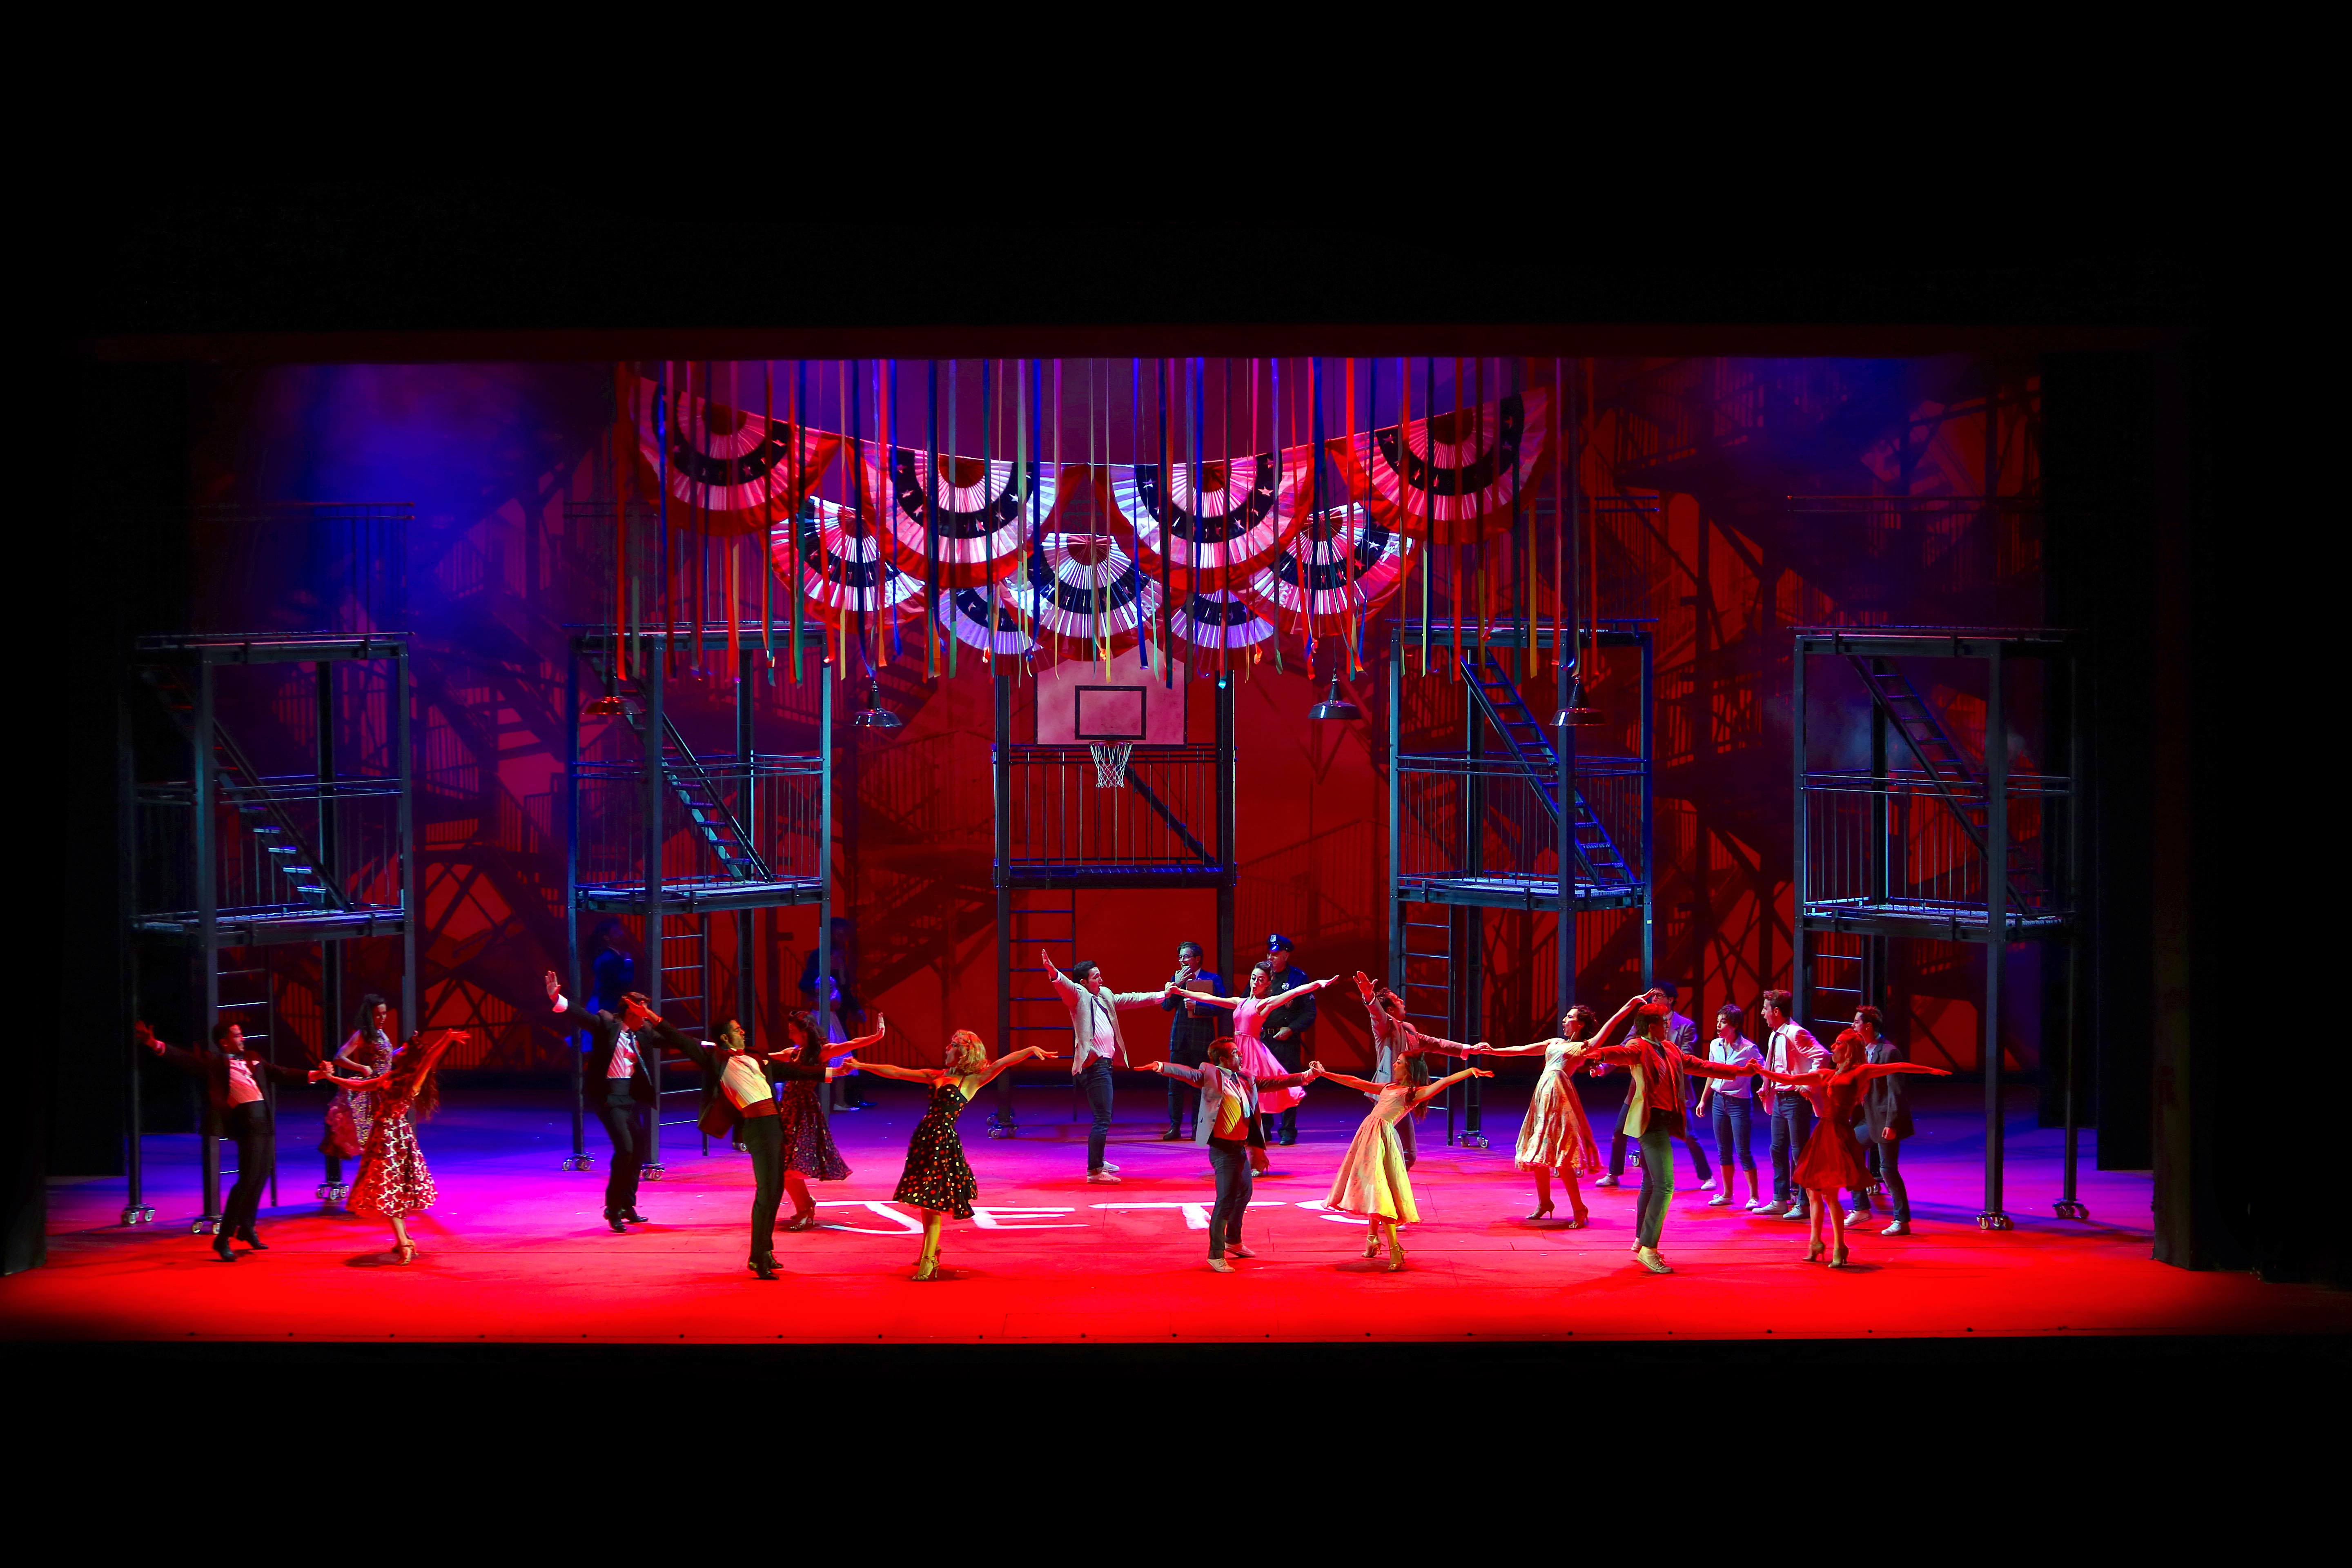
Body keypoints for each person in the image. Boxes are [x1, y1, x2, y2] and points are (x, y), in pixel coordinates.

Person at [642, 1012, 870, 1278]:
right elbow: (679, 1038)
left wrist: (834, 1072)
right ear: (725, 1037)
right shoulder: (715, 1058)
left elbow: (793, 1070)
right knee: (767, 1192)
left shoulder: (756, 1056)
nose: (743, 1032)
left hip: (775, 1125)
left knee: (774, 1191)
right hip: (758, 1128)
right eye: (737, 1030)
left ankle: (766, 1251)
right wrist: (649, 1015)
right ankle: (758, 1257)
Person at [844, 1030, 1059, 1280]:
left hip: (943, 1142)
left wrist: (1029, 1050)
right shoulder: (937, 1075)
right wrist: (861, 1066)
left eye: (953, 1045)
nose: (947, 1048)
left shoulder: (973, 1080)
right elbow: (896, 1072)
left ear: (964, 1052)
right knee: (923, 1195)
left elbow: (1002, 1063)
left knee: (931, 1198)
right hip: (924, 1139)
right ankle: (930, 1250)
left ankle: (929, 1259)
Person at [1576, 993, 1762, 1274]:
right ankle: (1649, 1248)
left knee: (1651, 1183)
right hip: (1649, 1121)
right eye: (1664, 1023)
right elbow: (1619, 1053)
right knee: (1665, 1185)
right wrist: (1598, 1054)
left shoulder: (1670, 1049)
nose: (1667, 1025)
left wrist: (1741, 1072)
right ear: (1652, 1026)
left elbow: (1702, 1066)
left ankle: (1641, 1240)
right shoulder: (1639, 1045)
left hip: (1665, 1120)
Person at [1757, 1028, 1949, 1266]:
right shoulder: (1826, 1075)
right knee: (1812, 1190)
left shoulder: (1860, 1071)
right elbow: (1792, 1080)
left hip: (1839, 1134)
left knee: (1829, 1194)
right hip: (1823, 1133)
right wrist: (1761, 1071)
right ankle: (1815, 1242)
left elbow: (1897, 1067)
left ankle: (1840, 1246)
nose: (1833, 1047)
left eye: (1838, 1044)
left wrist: (1929, 1070)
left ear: (1848, 1050)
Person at [138, 1019, 313, 1262]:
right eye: (237, 1035)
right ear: (225, 1042)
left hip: (265, 1123)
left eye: (241, 1035)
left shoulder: (253, 1057)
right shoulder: (216, 1063)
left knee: (260, 1177)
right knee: (247, 1181)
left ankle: (247, 1227)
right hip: (247, 1124)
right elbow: (187, 1060)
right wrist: (154, 1044)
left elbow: (280, 1073)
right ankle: (223, 1238)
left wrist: (314, 1074)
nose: (243, 1039)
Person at [1304, 1055, 1492, 1271]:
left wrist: (1469, 1071)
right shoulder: (1388, 1087)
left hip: (1382, 1141)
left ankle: (1395, 1248)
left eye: (1400, 1062)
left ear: (1410, 1069)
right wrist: (1325, 1074)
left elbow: (1444, 1082)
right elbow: (1355, 1082)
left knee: (1380, 1191)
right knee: (1372, 1187)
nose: (1395, 1064)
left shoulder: (1413, 1093)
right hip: (1367, 1138)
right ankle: (1372, 1238)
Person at [1144, 1040, 1314, 1271]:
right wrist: (1161, 1067)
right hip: (1223, 1150)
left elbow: (1274, 1082)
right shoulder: (1210, 1074)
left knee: (1244, 1192)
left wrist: (1305, 1076)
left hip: (1239, 1148)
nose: (1241, 1056)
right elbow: (1187, 1073)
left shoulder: (1246, 1078)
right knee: (1225, 1200)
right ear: (1223, 1060)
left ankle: (1233, 1240)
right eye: (1235, 1053)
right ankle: (1215, 1254)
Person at [309, 1029, 470, 1264]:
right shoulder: (390, 1077)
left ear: (409, 1057)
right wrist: (331, 1079)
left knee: (389, 1189)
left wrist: (446, 1039)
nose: (398, 1050)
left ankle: (404, 1242)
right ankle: (404, 1239)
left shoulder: (413, 1079)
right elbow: (359, 1086)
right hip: (382, 1136)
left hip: (394, 1139)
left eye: (404, 1049)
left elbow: (429, 1058)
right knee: (391, 1190)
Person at [1180, 964, 1343, 1175]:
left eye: (1261, 980)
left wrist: (1317, 984)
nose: (1255, 983)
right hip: (1236, 1053)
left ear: (1268, 984)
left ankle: (1257, 1160)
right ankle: (1242, 1156)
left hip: (1252, 1055)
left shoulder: (1263, 1004)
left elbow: (1294, 993)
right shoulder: (1240, 1002)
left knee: (1251, 1109)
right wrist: (1180, 991)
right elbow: (1209, 998)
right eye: (1254, 978)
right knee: (1238, 1108)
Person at [543, 968, 660, 1232]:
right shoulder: (608, 1024)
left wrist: (709, 1047)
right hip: (609, 1098)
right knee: (626, 1150)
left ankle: (628, 1204)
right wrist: (556, 999)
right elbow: (582, 1017)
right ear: (630, 1011)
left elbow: (672, 1038)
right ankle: (613, 1207)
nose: (646, 1017)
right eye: (642, 1011)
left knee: (638, 1149)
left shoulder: (643, 1032)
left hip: (629, 1098)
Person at [1042, 949, 1167, 1184]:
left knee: (1103, 1117)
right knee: (1103, 1119)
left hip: (1105, 1065)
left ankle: (1099, 1160)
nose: (1101, 980)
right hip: (1095, 1065)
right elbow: (1066, 987)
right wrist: (1054, 973)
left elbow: (1132, 999)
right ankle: (1095, 1171)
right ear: (1084, 982)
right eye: (1096, 977)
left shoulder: (1105, 995)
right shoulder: (1079, 995)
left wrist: (1163, 994)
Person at [1477, 1002, 1608, 1226]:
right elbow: (1521, 1050)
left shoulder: (1581, 1048)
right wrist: (1492, 1051)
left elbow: (1606, 1032)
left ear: (1581, 1024)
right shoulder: (1555, 1042)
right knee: (1539, 1154)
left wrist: (1629, 1005)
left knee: (1562, 1157)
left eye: (1570, 1017)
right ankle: (1545, 1202)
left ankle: (1579, 1208)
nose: (1565, 1020)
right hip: (1542, 1100)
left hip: (1560, 1100)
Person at [1351, 971, 1484, 1169]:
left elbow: (1435, 1043)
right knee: (1405, 1153)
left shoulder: (1409, 1029)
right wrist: (1369, 996)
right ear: (1391, 1009)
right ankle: (1374, 1179)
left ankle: (1375, 1177)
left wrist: (1469, 1049)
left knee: (1391, 1149)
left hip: (1404, 1092)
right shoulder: (1385, 1027)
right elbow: (1377, 1015)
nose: (1402, 1001)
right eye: (1397, 1000)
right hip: (1390, 1093)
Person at [1595, 979, 1714, 1193]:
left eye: (1659, 995)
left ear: (1671, 1000)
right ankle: (1614, 1173)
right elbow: (1625, 1048)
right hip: (1641, 1089)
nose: (1654, 999)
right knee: (1620, 1131)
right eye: (1653, 996)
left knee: (1688, 1135)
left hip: (1673, 1089)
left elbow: (1686, 1056)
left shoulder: (1685, 1025)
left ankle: (1707, 1176)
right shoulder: (1643, 1021)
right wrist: (1605, 1067)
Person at [772, 1009, 862, 1234]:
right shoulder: (792, 1053)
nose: (790, 1035)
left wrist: (877, 1036)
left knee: (790, 1166)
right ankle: (806, 1205)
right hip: (788, 1110)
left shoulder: (821, 1052)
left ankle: (805, 1211)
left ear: (805, 1032)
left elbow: (851, 1044)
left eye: (793, 1031)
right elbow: (766, 1058)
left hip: (804, 1112)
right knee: (783, 1165)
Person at [1758, 989, 1829, 1220]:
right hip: (1780, 1098)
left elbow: (1823, 1056)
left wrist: (1807, 1085)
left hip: (1795, 1100)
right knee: (1777, 1149)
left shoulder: (1795, 1033)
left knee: (1800, 1152)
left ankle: (1804, 1203)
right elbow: (1774, 1065)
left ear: (1777, 1011)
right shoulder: (1776, 1035)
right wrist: (1766, 1086)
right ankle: (1780, 1199)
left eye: (1766, 1009)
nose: (1763, 1013)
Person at [1850, 1006, 1918, 1235]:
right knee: (1850, 1151)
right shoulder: (1862, 1051)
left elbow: (1895, 1092)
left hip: (1885, 1118)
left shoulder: (1889, 1052)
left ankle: (1901, 1220)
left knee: (1888, 1169)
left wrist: (1892, 1123)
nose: (1853, 1026)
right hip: (1868, 1118)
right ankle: (1861, 1208)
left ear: (1868, 1027)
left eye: (1857, 1023)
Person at [319, 993, 394, 1199]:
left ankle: (377, 1190)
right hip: (371, 1093)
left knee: (384, 1144)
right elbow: (339, 1058)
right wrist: (361, 1068)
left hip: (385, 1092)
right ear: (370, 1015)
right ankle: (369, 1192)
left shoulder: (382, 1034)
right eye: (378, 1014)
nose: (382, 1018)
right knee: (373, 1144)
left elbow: (386, 1059)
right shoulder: (363, 1034)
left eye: (384, 1014)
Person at [1696, 1003, 1766, 1210]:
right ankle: (1727, 1194)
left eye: (1723, 1022)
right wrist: (1704, 1100)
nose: (1718, 1025)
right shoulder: (1715, 1045)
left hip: (1739, 1104)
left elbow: (1763, 1070)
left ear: (1734, 1025)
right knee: (1723, 1151)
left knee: (1743, 1151)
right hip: (1719, 1101)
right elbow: (1711, 1073)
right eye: (1718, 1021)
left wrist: (1767, 1089)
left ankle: (1754, 1197)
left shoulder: (1749, 1049)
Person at [800, 917, 870, 1111]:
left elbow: (845, 991)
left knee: (842, 1052)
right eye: (840, 934)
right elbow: (808, 985)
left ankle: (844, 1098)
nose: (843, 938)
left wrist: (855, 1007)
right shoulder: (821, 964)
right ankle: (819, 1099)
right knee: (822, 1053)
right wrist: (820, 996)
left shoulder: (839, 962)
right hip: (824, 1016)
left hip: (836, 1016)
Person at [1159, 940, 1226, 1140]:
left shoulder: (1212, 979)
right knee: (1175, 1086)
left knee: (1201, 1086)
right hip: (1180, 1039)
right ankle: (1175, 1127)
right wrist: (1177, 985)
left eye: (1186, 957)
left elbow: (1221, 1007)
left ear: (1197, 959)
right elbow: (1166, 1006)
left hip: (1202, 1039)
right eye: (1180, 957)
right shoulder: (1176, 979)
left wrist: (1198, 1007)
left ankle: (1198, 1126)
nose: (1182, 960)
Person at [1256, 935, 1316, 1144]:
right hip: (1263, 1040)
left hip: (1286, 1041)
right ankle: (1264, 1127)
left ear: (1286, 955)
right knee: (1263, 1084)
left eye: (1275, 954)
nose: (1270, 958)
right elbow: (1248, 1001)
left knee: (1289, 1083)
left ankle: (1288, 1130)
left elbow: (1309, 1013)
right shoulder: (1262, 976)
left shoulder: (1298, 978)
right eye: (1269, 954)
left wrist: (1292, 1029)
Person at [589, 920, 634, 1014]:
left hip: (614, 1004)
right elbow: (625, 980)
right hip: (611, 1006)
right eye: (616, 932)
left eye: (620, 930)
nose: (621, 934)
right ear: (607, 938)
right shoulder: (608, 958)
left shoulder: (617, 955)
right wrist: (628, 962)